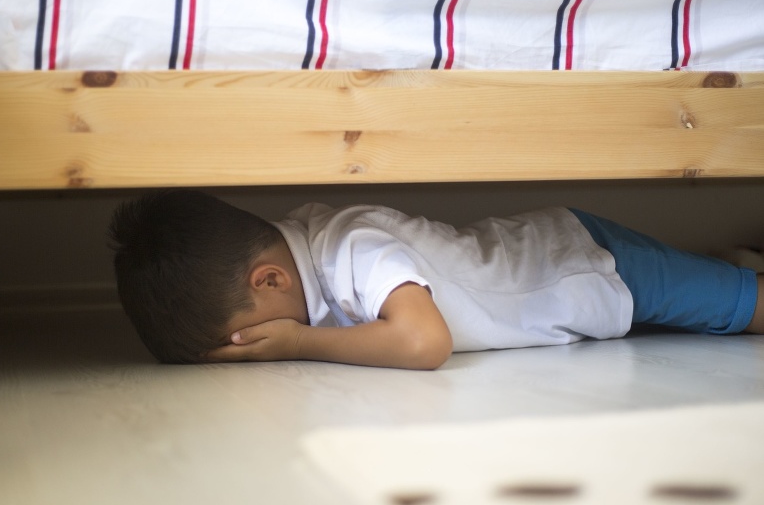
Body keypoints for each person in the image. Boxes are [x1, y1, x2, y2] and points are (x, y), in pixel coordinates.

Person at [109, 189, 763, 370]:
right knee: (706, 295)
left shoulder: (349, 249)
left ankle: (739, 277)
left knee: (746, 311)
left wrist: (296, 344)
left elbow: (425, 343)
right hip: (579, 291)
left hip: (592, 267)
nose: (253, 350)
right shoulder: (297, 247)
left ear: (271, 280)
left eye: (244, 340)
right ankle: (736, 262)